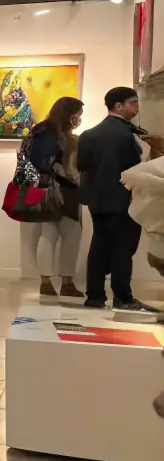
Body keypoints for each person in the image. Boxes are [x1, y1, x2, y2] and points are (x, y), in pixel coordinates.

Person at [78, 86, 162, 311]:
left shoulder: (89, 134)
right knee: (123, 248)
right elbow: (136, 170)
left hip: (97, 199)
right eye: (133, 102)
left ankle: (95, 295)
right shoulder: (128, 135)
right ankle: (123, 297)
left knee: (99, 245)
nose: (137, 107)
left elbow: (82, 166)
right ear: (118, 106)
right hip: (124, 197)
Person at [15, 96, 84, 298]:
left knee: (49, 234)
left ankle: (47, 282)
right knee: (69, 234)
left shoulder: (39, 132)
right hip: (61, 189)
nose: (79, 118)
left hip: (44, 189)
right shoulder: (54, 135)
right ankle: (65, 282)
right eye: (78, 114)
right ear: (69, 114)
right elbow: (51, 163)